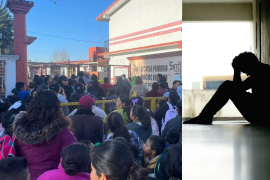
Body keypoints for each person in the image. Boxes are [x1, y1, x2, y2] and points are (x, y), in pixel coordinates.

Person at [184, 51, 270, 124]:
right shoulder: (264, 70)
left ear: (249, 64)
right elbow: (239, 89)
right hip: (262, 114)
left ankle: (205, 116)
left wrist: (236, 71)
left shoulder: (262, 73)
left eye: (244, 70)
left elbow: (237, 89)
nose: (247, 74)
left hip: (261, 116)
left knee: (227, 85)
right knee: (229, 85)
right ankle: (205, 116)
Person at [13, 90, 77, 180]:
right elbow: (74, 153)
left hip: (26, 175)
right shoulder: (61, 130)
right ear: (56, 106)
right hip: (52, 176)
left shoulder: (20, 128)